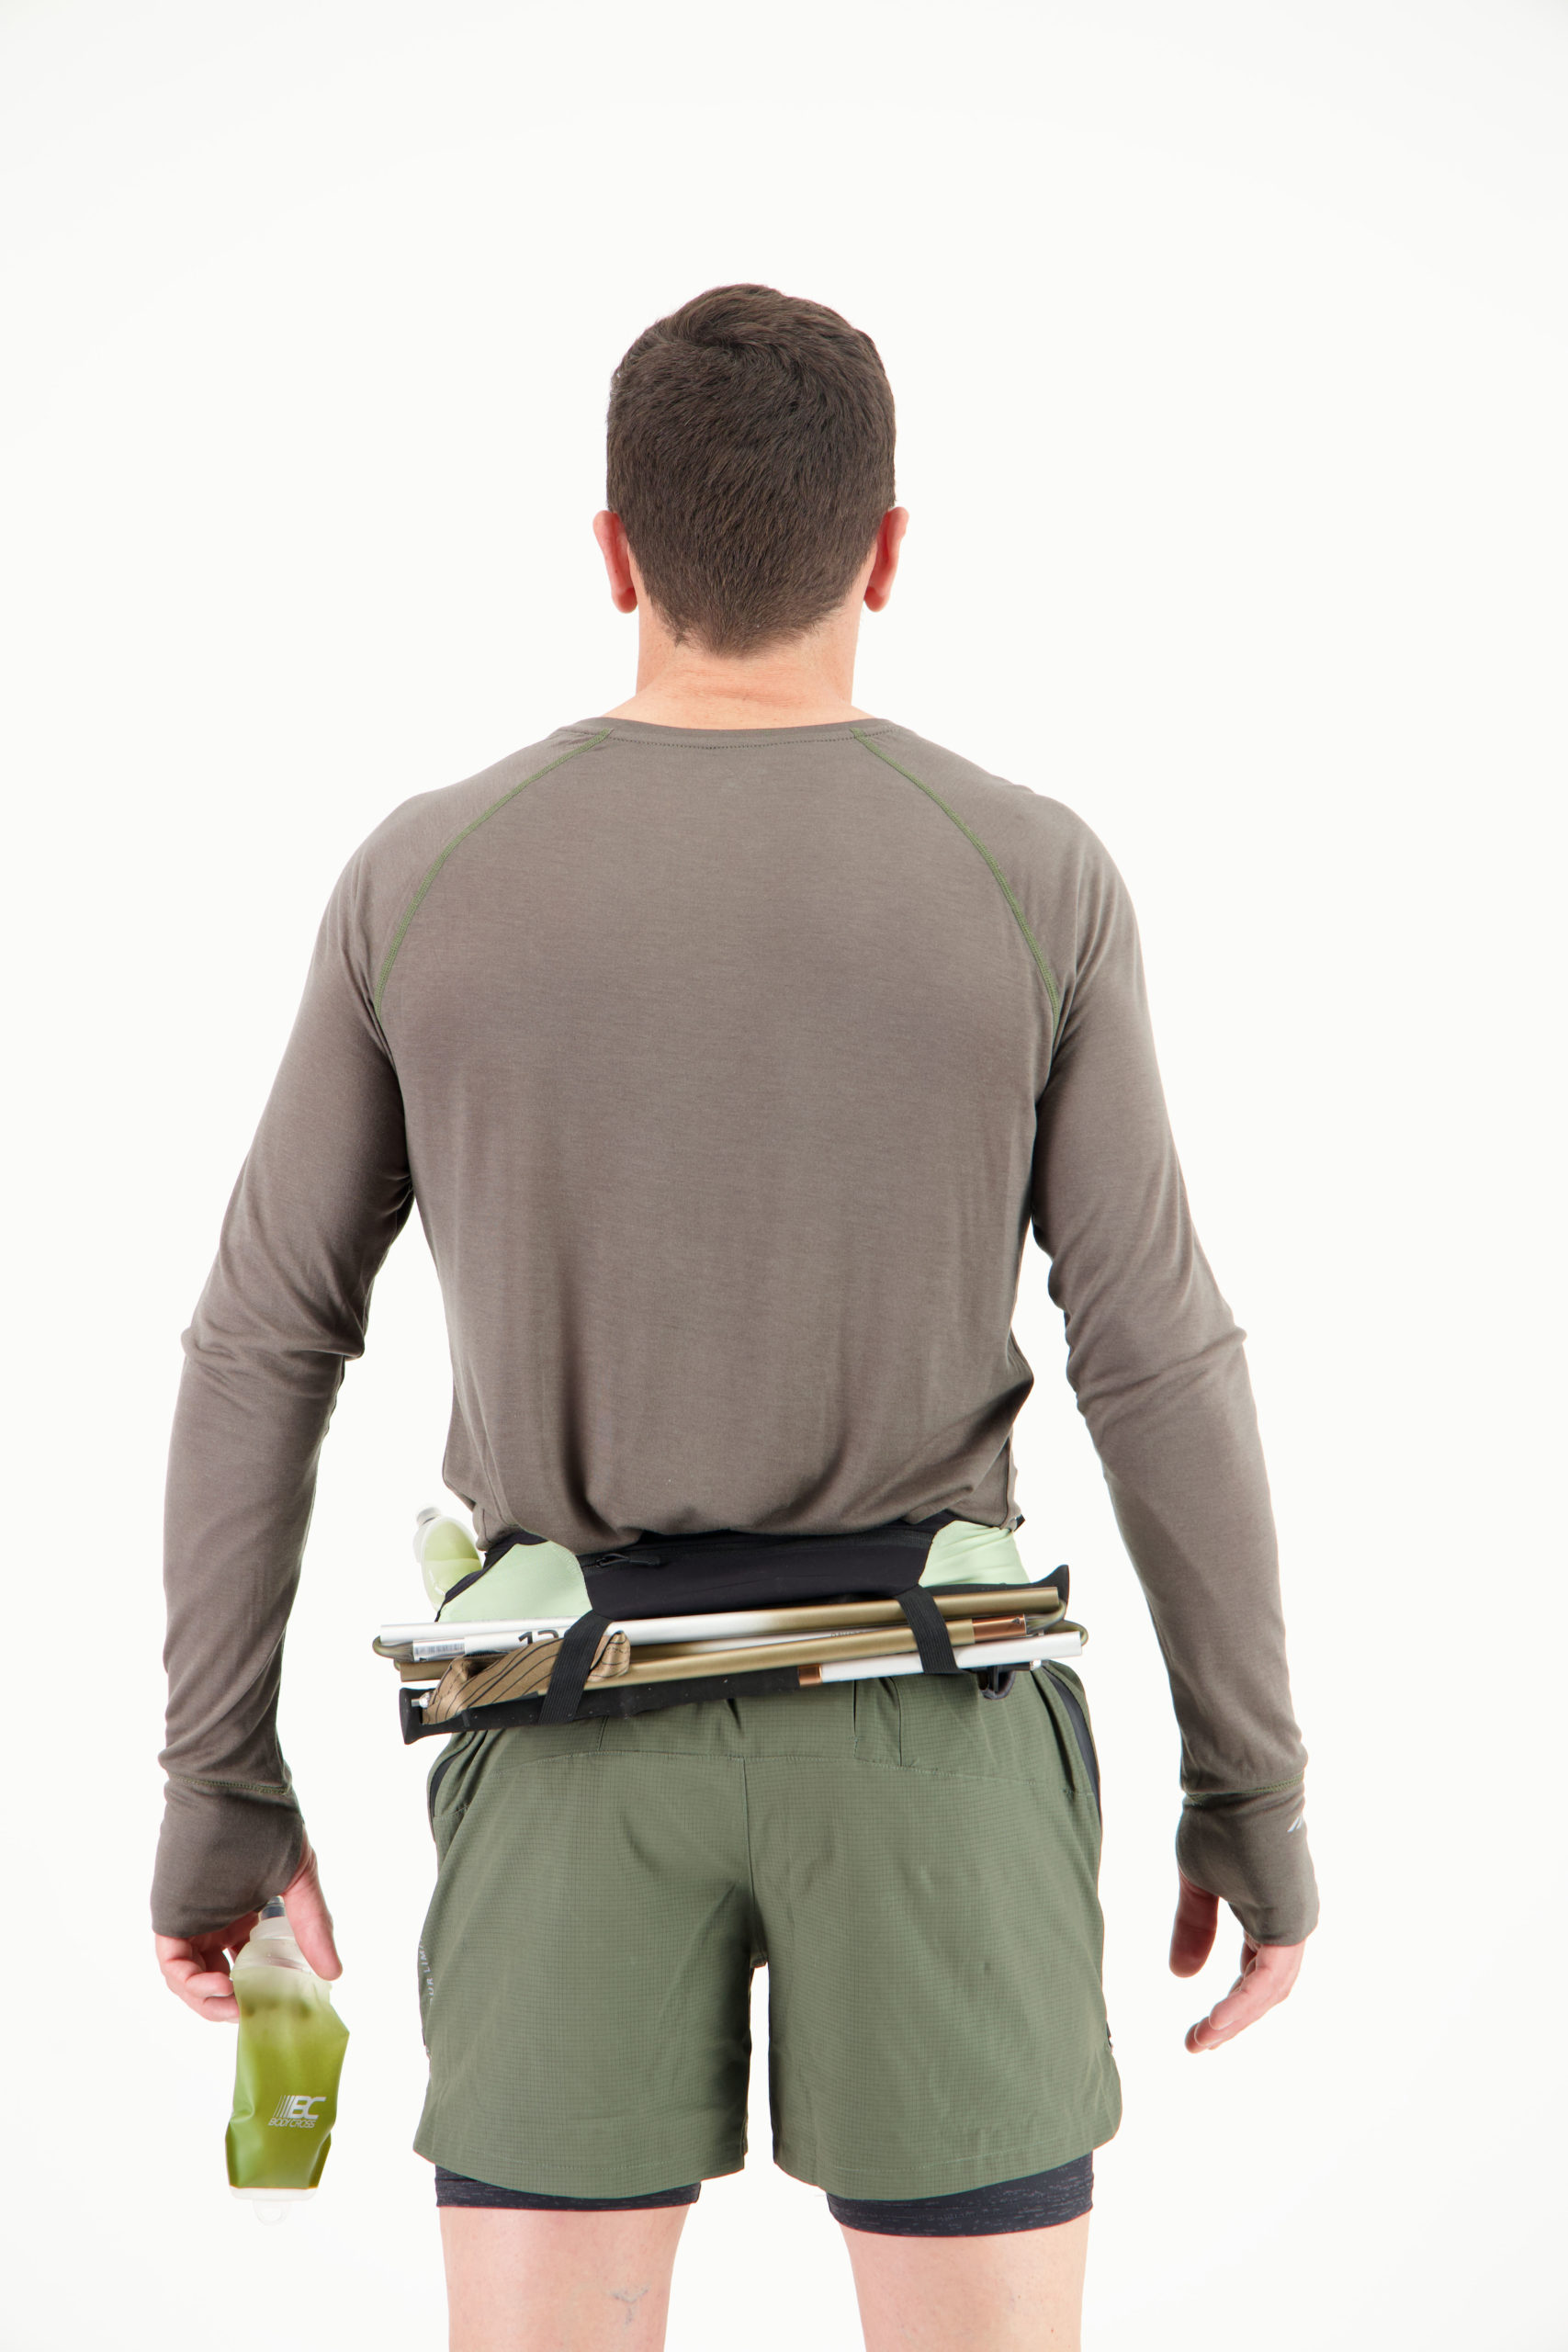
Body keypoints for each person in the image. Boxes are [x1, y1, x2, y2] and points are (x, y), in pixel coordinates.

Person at [152, 283, 1317, 2352]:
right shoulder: (1029, 873)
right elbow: (1153, 1348)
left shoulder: (425, 874)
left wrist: (213, 1773)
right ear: (887, 549)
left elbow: (265, 1334)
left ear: (614, 551)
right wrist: (1253, 1783)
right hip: (931, 1749)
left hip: (559, 1738)